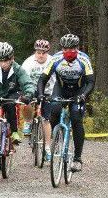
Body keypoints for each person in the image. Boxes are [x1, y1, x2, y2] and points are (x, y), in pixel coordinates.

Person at [37, 33, 94, 172]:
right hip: (60, 88)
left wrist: (83, 95)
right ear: (62, 48)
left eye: (72, 48)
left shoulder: (84, 59)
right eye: (65, 49)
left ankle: (77, 159)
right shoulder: (55, 59)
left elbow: (91, 81)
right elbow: (42, 79)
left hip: (78, 90)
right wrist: (40, 94)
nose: (68, 51)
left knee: (76, 119)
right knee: (55, 109)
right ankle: (57, 137)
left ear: (77, 48)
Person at [20, 39, 54, 161]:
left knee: (46, 119)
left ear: (47, 53)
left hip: (47, 92)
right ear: (35, 52)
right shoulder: (29, 62)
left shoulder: (52, 61)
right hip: (32, 89)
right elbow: (22, 78)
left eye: (43, 53)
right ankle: (28, 121)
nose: (40, 55)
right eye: (38, 52)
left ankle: (48, 147)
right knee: (26, 101)